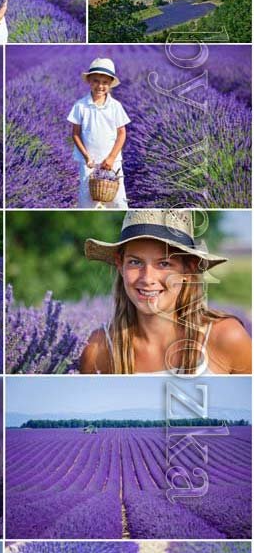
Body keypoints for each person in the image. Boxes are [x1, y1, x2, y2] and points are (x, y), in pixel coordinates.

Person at [79, 208, 252, 375]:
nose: (147, 278)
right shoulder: (98, 349)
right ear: (120, 264)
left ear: (188, 270)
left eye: (164, 264)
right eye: (135, 262)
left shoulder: (226, 337)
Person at [67, 57, 130, 208]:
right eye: (96, 81)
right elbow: (75, 133)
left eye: (105, 82)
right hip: (88, 162)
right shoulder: (80, 106)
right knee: (86, 200)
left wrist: (111, 157)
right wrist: (87, 157)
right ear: (89, 81)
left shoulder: (115, 106)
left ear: (110, 85)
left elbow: (122, 133)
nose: (100, 86)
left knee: (118, 201)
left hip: (112, 162)